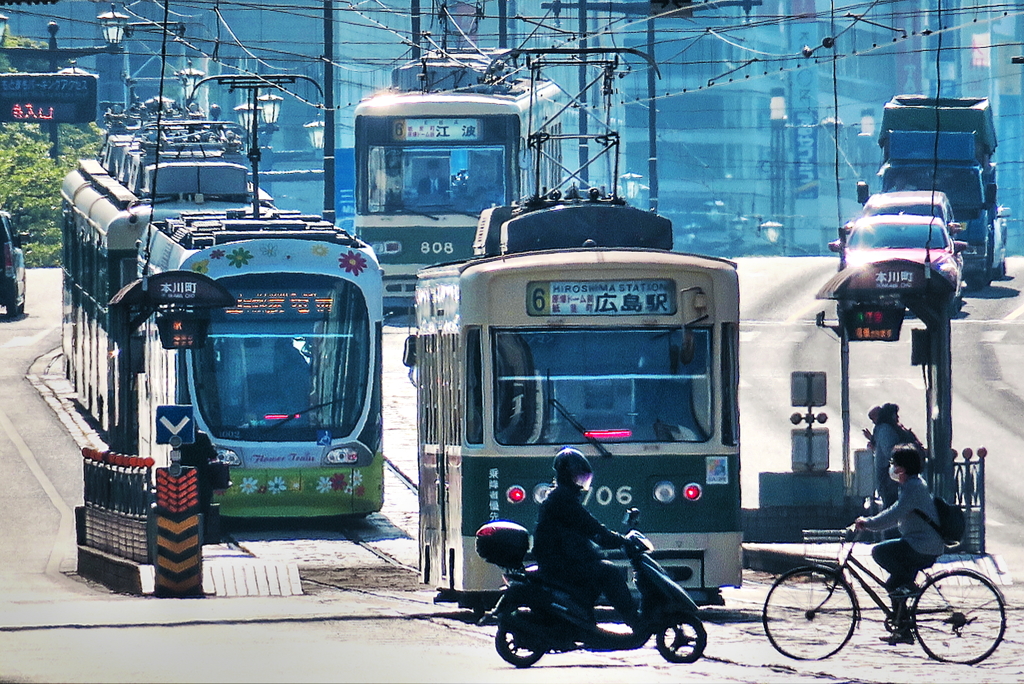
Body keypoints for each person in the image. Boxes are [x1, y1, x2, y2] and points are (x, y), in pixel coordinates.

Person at [532, 447, 639, 629]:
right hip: (559, 563)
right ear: (567, 476)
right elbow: (592, 527)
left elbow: (588, 527)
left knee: (599, 570)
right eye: (578, 477)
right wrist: (621, 540)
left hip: (560, 560)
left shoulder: (562, 497)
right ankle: (635, 621)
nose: (581, 483)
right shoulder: (562, 500)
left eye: (583, 478)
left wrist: (613, 538)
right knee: (609, 572)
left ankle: (583, 617)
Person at [853, 443, 944, 645]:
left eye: (894, 464)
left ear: (902, 468)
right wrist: (871, 523)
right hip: (919, 543)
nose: (892, 468)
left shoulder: (913, 487)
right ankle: (903, 630)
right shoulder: (911, 485)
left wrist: (868, 524)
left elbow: (894, 515)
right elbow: (895, 511)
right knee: (894, 585)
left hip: (922, 546)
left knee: (879, 552)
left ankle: (909, 585)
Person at [863, 403, 901, 510]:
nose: (897, 417)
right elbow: (888, 452)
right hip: (888, 477)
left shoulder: (882, 429)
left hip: (888, 476)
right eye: (895, 415)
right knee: (891, 507)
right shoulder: (885, 429)